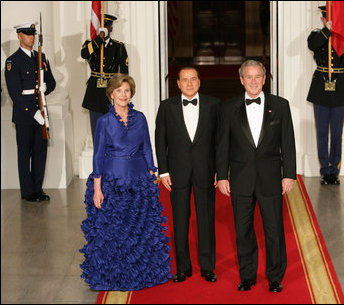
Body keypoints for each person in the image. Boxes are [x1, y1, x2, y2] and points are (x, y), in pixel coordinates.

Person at [79, 73, 173, 290]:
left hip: (139, 178)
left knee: (139, 228)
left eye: (127, 91)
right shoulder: (104, 121)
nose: (123, 95)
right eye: (119, 91)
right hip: (113, 180)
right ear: (111, 94)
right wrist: (97, 188)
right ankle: (114, 276)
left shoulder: (140, 118)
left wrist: (152, 172)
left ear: (132, 93)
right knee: (115, 231)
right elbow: (98, 155)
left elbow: (147, 147)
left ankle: (140, 273)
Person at [216, 60, 296, 292]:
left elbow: (288, 142)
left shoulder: (281, 105)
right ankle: (247, 275)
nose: (253, 81)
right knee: (243, 231)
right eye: (248, 77)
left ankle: (275, 277)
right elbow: (222, 145)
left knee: (274, 230)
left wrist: (288, 174)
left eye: (258, 76)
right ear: (241, 79)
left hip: (271, 177)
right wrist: (222, 176)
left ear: (264, 78)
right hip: (240, 178)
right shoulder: (228, 107)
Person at [155, 67, 220, 283]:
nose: (190, 84)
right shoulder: (166, 107)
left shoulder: (214, 105)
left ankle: (208, 267)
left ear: (199, 82)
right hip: (177, 172)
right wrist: (163, 171)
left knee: (206, 220)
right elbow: (160, 140)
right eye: (185, 80)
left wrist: (220, 171)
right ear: (178, 84)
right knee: (180, 220)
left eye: (193, 79)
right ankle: (182, 268)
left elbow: (220, 142)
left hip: (206, 171)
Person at [5, 22, 56, 202]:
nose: (31, 37)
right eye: (27, 34)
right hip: (24, 115)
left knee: (40, 152)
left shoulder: (41, 57)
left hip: (42, 111)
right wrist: (32, 112)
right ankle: (27, 192)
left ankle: (37, 189)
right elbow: (14, 93)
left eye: (33, 34)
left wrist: (45, 87)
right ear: (19, 36)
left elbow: (52, 82)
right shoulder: (13, 61)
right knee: (25, 153)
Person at [307, 5, 344, 185]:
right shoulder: (317, 35)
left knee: (336, 133)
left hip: (339, 88)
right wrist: (327, 31)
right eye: (326, 18)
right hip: (320, 88)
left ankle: (334, 171)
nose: (330, 20)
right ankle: (324, 170)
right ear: (322, 19)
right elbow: (313, 45)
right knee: (321, 132)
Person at [81, 14, 129, 139]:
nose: (105, 29)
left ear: (111, 28)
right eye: (102, 27)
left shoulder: (118, 47)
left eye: (107, 26)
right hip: (94, 92)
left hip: (112, 92)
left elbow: (124, 73)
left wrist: (122, 93)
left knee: (114, 132)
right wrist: (99, 39)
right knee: (97, 133)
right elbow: (84, 54)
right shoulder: (91, 45)